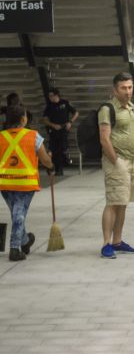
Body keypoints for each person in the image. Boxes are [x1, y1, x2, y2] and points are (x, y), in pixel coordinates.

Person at [1, 105, 53, 261]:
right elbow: (45, 159)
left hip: (4, 184)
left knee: (17, 214)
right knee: (19, 215)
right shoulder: (33, 136)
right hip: (25, 184)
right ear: (23, 119)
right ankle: (14, 248)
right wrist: (51, 166)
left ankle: (25, 242)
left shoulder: (1, 137)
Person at [99, 72, 134, 259]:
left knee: (123, 203)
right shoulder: (107, 109)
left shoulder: (131, 107)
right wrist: (116, 161)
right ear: (115, 89)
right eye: (123, 88)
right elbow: (104, 139)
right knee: (113, 202)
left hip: (132, 160)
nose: (128, 91)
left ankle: (117, 241)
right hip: (117, 162)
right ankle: (106, 244)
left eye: (130, 87)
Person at [41, 88, 78, 176]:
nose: (50, 98)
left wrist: (70, 122)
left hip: (63, 129)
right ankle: (54, 168)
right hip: (53, 130)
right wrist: (53, 125)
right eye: (49, 96)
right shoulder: (49, 106)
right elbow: (45, 120)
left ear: (56, 95)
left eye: (51, 96)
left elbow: (76, 113)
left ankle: (60, 167)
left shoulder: (65, 103)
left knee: (61, 148)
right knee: (53, 149)